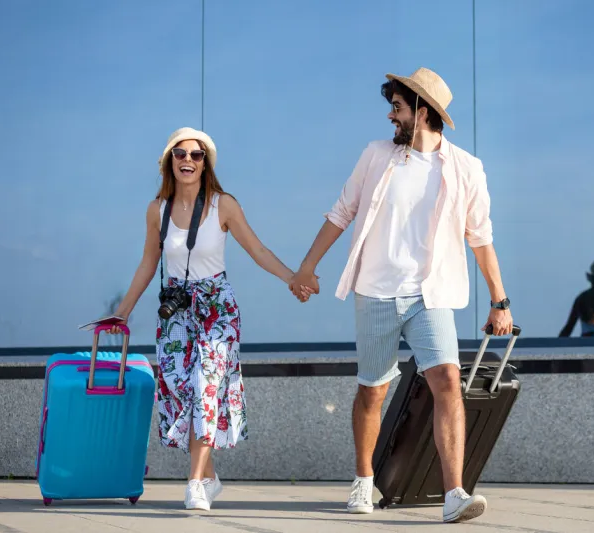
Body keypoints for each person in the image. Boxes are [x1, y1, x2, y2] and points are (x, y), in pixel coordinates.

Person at [287, 67, 512, 524]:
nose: (391, 116)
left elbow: (480, 236)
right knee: (374, 390)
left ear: (422, 112)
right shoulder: (376, 156)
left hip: (430, 295)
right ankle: (363, 480)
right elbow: (341, 212)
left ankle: (454, 493)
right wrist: (308, 265)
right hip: (375, 291)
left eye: (398, 108)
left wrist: (499, 301)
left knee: (448, 381)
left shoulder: (466, 168)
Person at [106, 127, 305, 511]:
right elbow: (149, 262)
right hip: (176, 312)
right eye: (180, 154)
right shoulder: (157, 210)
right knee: (180, 393)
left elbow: (257, 249)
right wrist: (123, 310)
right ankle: (210, 477)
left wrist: (292, 278)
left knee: (205, 386)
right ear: (169, 161)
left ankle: (195, 483)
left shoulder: (222, 205)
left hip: (216, 308)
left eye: (196, 155)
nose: (187, 160)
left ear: (205, 163)